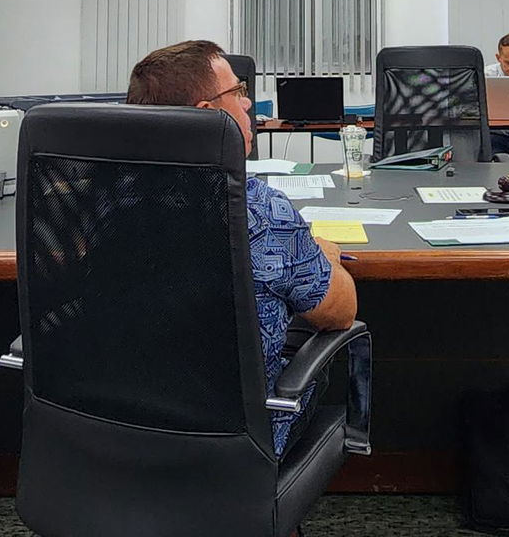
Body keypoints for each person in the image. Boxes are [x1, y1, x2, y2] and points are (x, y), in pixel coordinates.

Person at [126, 39, 357, 456]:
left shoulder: (103, 203)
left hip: (111, 427)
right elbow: (340, 313)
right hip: (237, 440)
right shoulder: (258, 211)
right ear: (207, 116)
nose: (248, 106)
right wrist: (322, 257)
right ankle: (265, 518)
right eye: (237, 93)